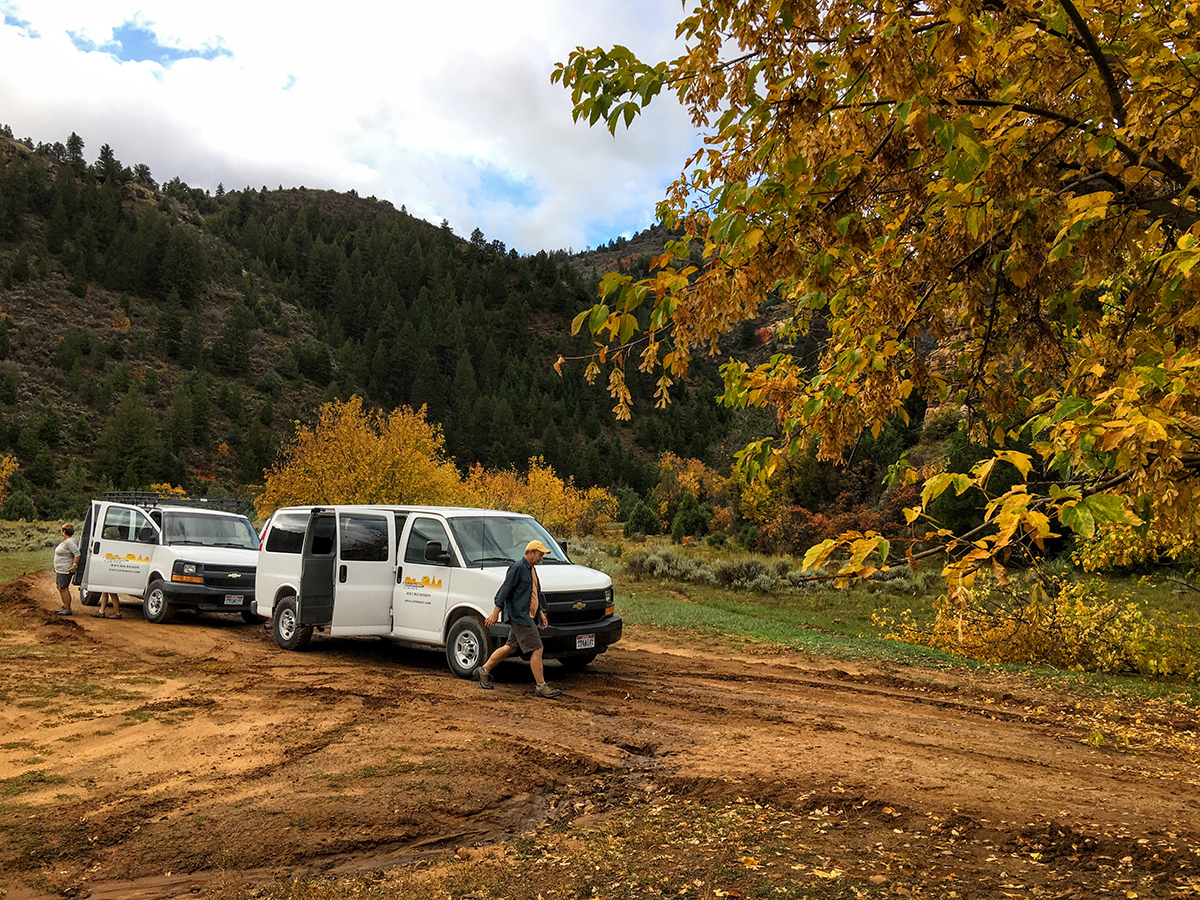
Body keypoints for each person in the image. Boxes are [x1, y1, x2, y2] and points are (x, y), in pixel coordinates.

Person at [475, 539, 562, 698]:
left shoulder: (532, 570)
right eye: (540, 554)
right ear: (530, 552)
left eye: (543, 555)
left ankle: (484, 671)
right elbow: (504, 591)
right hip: (520, 617)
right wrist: (495, 612)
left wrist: (540, 612)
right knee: (537, 648)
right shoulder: (517, 568)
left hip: (528, 616)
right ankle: (541, 686)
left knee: (510, 647)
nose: (542, 557)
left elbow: (535, 593)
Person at [52, 523, 80, 616]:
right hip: (61, 568)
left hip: (66, 569)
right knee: (59, 586)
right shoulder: (66, 541)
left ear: (63, 531)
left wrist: (74, 565)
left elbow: (77, 554)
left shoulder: (69, 542)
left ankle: (67, 608)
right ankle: (65, 606)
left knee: (63, 587)